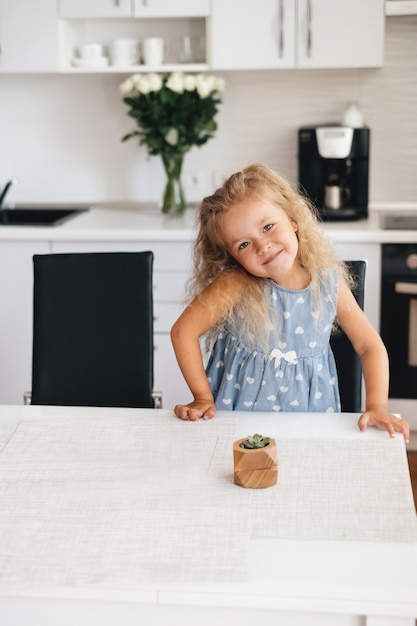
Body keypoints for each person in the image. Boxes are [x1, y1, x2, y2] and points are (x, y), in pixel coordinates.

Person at [171, 164, 410, 442]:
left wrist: (377, 406)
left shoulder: (328, 285)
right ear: (234, 257)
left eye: (268, 227)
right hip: (235, 422)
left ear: (293, 220)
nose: (263, 246)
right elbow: (182, 332)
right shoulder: (235, 283)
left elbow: (370, 346)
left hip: (311, 420)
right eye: (244, 245)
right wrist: (201, 397)